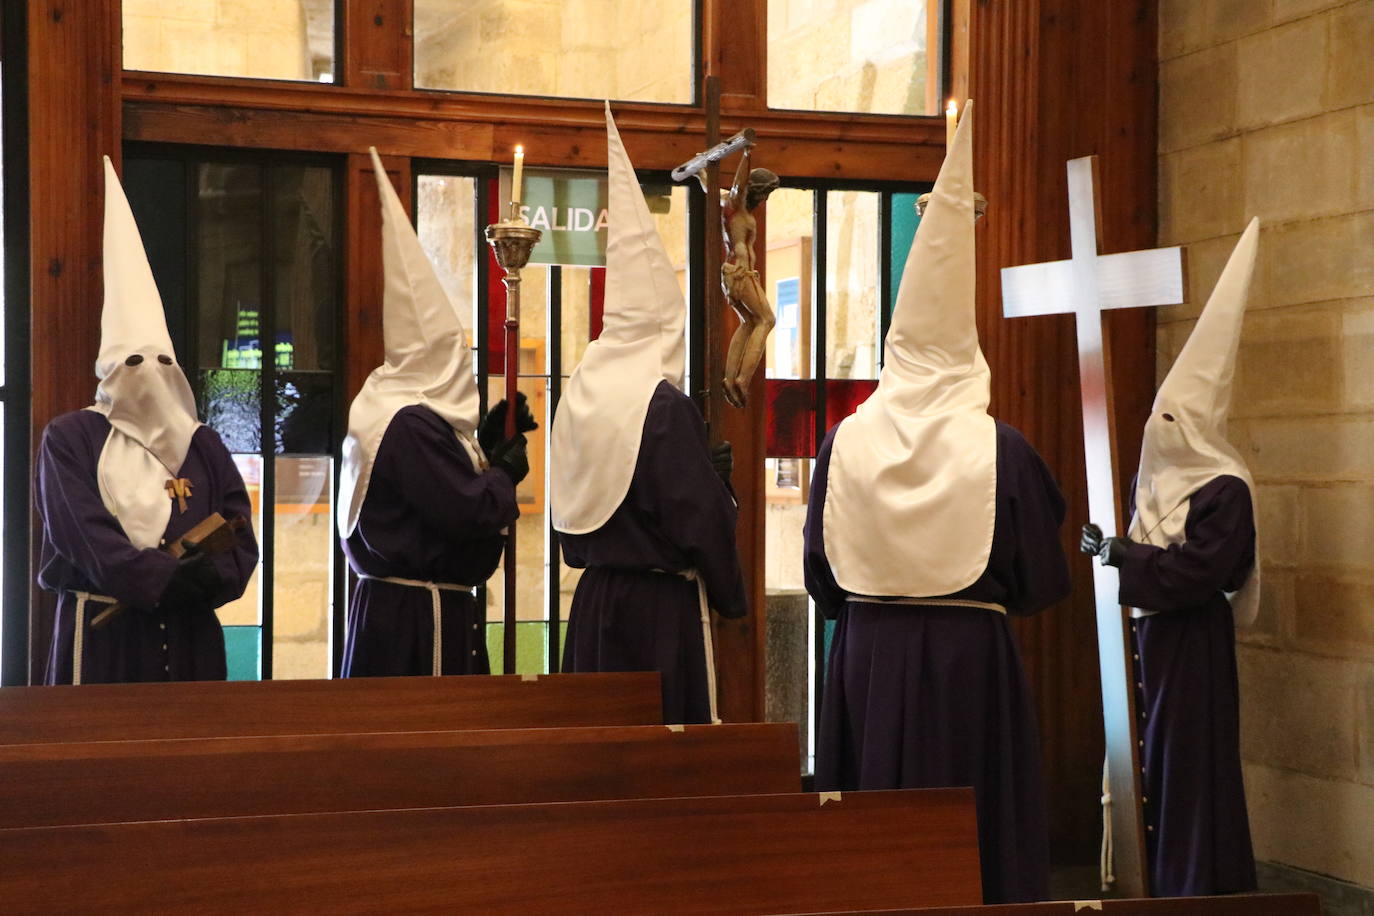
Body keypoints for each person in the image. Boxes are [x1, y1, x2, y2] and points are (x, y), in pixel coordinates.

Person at [806, 103, 1070, 904]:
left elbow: (822, 576)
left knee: (878, 844)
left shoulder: (844, 441)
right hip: (968, 668)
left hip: (869, 663)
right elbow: (1042, 581)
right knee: (972, 845)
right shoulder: (1005, 450)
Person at [1081, 218, 1262, 898]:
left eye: (1174, 424)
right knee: (1151, 770)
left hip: (1191, 641)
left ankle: (1197, 886)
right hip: (1148, 636)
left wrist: (1125, 556)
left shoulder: (1225, 487)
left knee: (1189, 770)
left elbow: (1202, 572)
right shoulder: (1158, 479)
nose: (1162, 435)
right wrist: (1115, 552)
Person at [551, 104, 747, 724]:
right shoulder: (661, 406)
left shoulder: (581, 390)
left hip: (593, 604)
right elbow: (697, 518)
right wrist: (731, 595)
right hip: (657, 610)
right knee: (660, 763)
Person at [36, 157, 259, 685]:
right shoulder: (70, 438)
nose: (148, 376)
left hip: (191, 637)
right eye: (132, 364)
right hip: (104, 637)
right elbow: (82, 533)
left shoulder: (202, 443)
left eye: (161, 363)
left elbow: (239, 532)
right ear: (109, 371)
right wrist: (160, 577)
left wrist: (210, 578)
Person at [338, 149, 533, 678]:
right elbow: (464, 510)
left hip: (416, 608)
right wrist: (503, 475)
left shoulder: (389, 403)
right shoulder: (407, 421)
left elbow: (441, 486)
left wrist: (486, 448)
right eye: (452, 348)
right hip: (417, 621)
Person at [708, 147, 779, 408]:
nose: (765, 200)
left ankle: (729, 379)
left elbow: (709, 186)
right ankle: (742, 380)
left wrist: (703, 175)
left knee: (748, 321)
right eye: (765, 193)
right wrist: (746, 155)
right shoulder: (735, 206)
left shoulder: (731, 206)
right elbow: (738, 184)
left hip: (736, 272)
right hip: (739, 271)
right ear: (755, 189)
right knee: (767, 320)